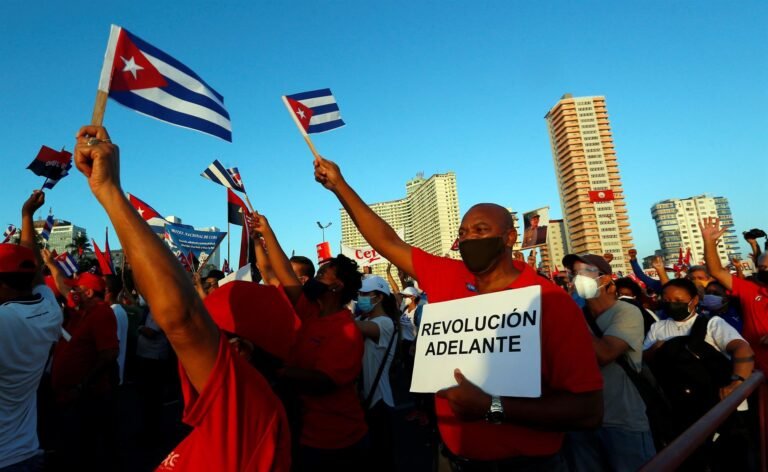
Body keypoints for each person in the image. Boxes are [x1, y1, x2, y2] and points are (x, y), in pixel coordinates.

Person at [314, 156, 603, 468]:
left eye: (481, 230)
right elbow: (387, 240)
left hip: (526, 463)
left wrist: (492, 407)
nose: (469, 238)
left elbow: (588, 410)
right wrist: (339, 186)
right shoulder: (447, 275)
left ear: (509, 237)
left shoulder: (549, 302)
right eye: (463, 232)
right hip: (453, 457)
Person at [72, 126, 291, 471]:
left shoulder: (248, 409)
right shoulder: (235, 419)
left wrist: (110, 192)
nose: (190, 345)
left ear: (239, 350)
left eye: (213, 330)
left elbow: (183, 319)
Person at [248, 212, 367, 470]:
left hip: (336, 441)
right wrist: (266, 232)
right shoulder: (310, 310)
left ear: (336, 287)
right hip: (304, 431)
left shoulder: (345, 330)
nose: (315, 277)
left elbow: (324, 381)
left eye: (323, 273)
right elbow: (282, 272)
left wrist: (277, 371)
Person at [643, 278, 754, 469]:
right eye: (667, 301)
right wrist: (656, 349)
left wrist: (737, 382)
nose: (672, 305)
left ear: (694, 300)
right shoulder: (658, 327)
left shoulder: (712, 324)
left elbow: (743, 349)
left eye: (678, 301)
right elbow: (644, 359)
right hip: (682, 407)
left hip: (719, 403)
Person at [562, 254, 655, 471]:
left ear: (605, 279)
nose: (577, 278)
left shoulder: (626, 312)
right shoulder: (578, 314)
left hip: (622, 420)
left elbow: (605, 354)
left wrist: (569, 315)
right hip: (581, 420)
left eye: (585, 272)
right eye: (574, 273)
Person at [0, 191, 63, 471]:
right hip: (25, 451)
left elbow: (33, 269)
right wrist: (27, 217)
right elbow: (34, 270)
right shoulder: (49, 310)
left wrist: (26, 214)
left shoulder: (5, 322)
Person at [45, 264, 120, 469]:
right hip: (70, 397)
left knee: (84, 450)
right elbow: (62, 286)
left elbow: (110, 354)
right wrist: (52, 265)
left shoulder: (101, 313)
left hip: (87, 399)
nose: (71, 293)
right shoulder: (79, 311)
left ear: (87, 292)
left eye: (76, 289)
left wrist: (82, 385)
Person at [699, 217, 768, 372]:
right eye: (763, 268)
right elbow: (716, 271)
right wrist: (709, 242)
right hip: (757, 372)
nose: (766, 271)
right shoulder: (750, 290)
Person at [355, 275, 399, 472]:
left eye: (365, 294)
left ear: (379, 297)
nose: (360, 298)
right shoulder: (361, 319)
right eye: (359, 294)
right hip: (364, 399)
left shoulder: (385, 323)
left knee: (382, 458)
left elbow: (351, 327)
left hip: (379, 400)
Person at [104, 274, 129, 385]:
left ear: (107, 291)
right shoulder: (114, 311)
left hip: (110, 378)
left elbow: (112, 350)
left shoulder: (115, 313)